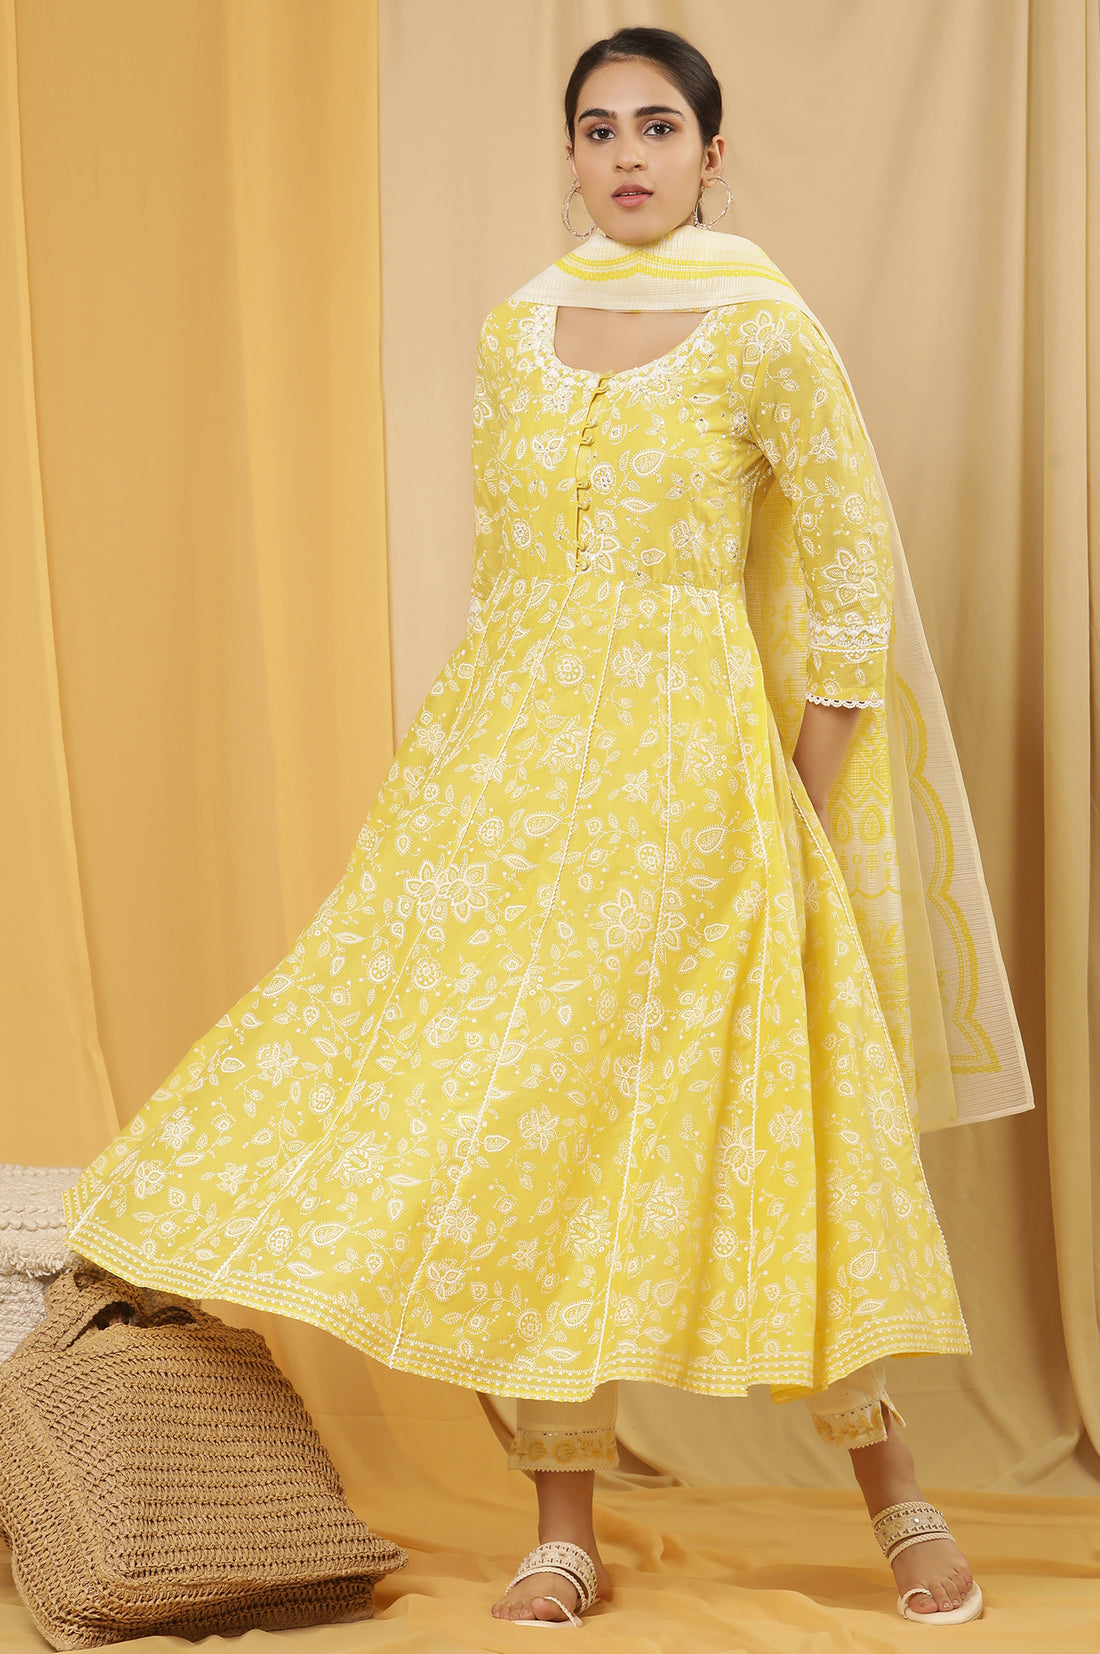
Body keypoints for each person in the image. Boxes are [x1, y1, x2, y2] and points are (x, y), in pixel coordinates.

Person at [64, 23, 1031, 1634]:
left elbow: (849, 575)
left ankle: (896, 1485)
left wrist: (798, 800)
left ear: (712, 154)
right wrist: (454, 781)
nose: (627, 156)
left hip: (697, 785)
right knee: (531, 1126)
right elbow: (507, 576)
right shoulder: (516, 328)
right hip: (508, 780)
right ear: (570, 155)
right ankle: (563, 1524)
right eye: (599, 129)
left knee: (779, 1131)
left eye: (658, 127)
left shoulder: (765, 330)